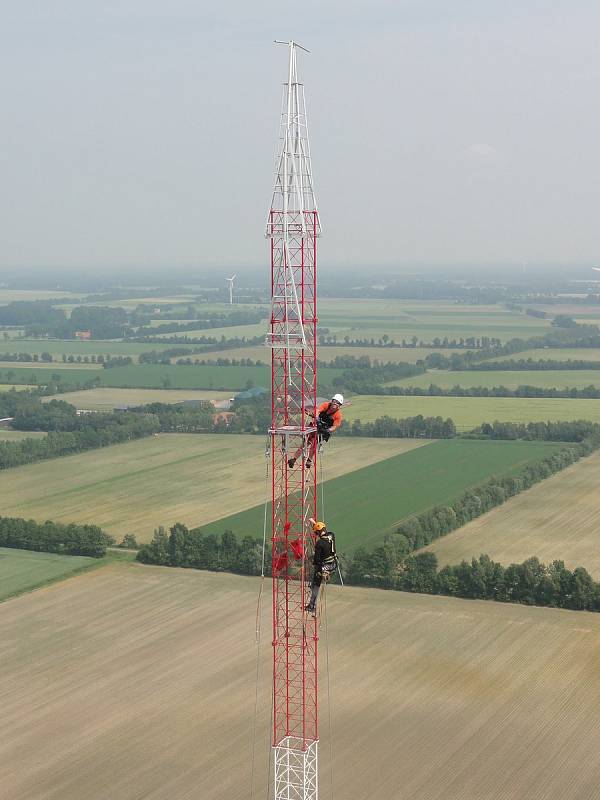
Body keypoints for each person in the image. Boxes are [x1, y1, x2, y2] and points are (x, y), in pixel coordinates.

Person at [288, 394, 344, 469]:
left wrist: (327, 430)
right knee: (306, 442)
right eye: (334, 401)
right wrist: (317, 418)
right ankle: (293, 459)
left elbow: (334, 426)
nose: (335, 403)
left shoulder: (338, 415)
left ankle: (309, 460)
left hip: (323, 430)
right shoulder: (326, 405)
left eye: (337, 403)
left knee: (314, 442)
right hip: (316, 425)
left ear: (339, 405)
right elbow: (318, 411)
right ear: (332, 401)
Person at [305, 519, 337, 615]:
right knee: (316, 579)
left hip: (325, 567)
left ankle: (312, 606)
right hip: (333, 564)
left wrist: (318, 571)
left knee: (315, 585)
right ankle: (312, 605)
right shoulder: (332, 535)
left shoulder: (319, 543)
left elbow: (317, 561)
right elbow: (323, 531)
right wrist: (315, 524)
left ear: (318, 532)